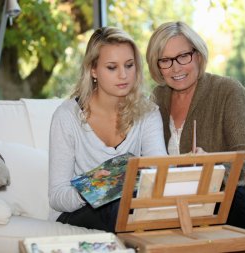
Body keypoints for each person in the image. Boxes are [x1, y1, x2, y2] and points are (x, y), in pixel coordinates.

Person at [146, 21, 245, 232]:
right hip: (181, 190)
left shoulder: (227, 90)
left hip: (236, 186)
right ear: (158, 67)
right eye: (165, 60)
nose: (176, 68)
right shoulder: (157, 97)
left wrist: (213, 170)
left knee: (223, 196)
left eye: (183, 56)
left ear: (198, 55)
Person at [48, 27, 167, 233]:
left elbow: (162, 174)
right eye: (112, 67)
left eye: (129, 65)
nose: (123, 75)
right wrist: (92, 189)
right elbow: (57, 196)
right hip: (77, 213)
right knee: (119, 207)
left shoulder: (148, 113)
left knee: (134, 207)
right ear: (93, 70)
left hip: (130, 208)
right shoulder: (67, 117)